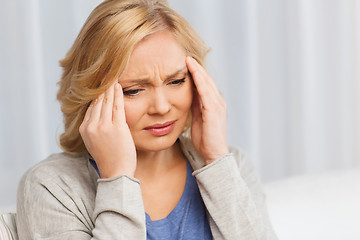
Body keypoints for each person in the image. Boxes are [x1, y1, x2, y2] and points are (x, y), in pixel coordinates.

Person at [16, 0, 277, 239]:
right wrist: (117, 180)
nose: (162, 107)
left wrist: (217, 160)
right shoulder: (51, 187)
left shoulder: (234, 167)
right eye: (134, 90)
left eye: (176, 81)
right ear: (92, 94)